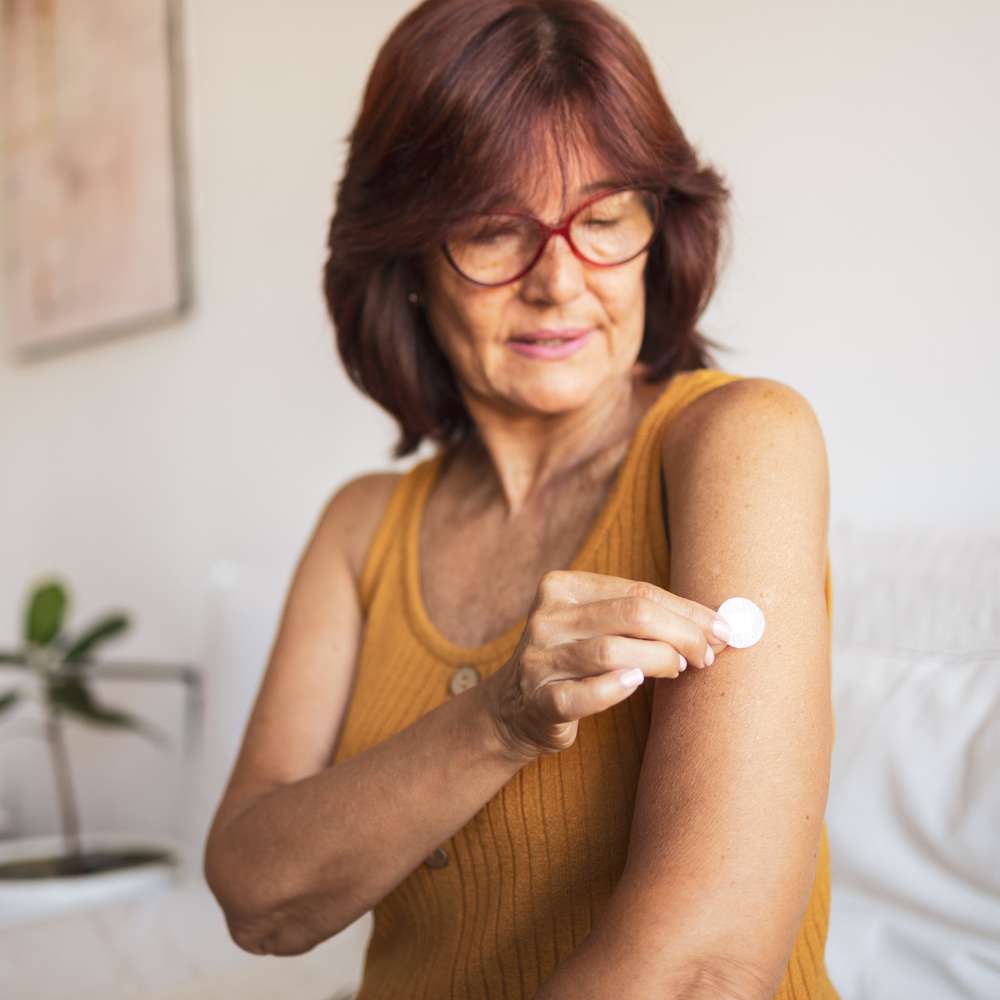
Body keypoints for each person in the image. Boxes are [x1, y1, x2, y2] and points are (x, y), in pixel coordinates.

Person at [203, 1, 839, 998]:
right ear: (407, 260)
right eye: (495, 230)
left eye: (604, 218)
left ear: (659, 229)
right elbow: (258, 898)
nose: (559, 282)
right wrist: (499, 718)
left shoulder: (738, 440)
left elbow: (701, 968)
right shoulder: (361, 526)